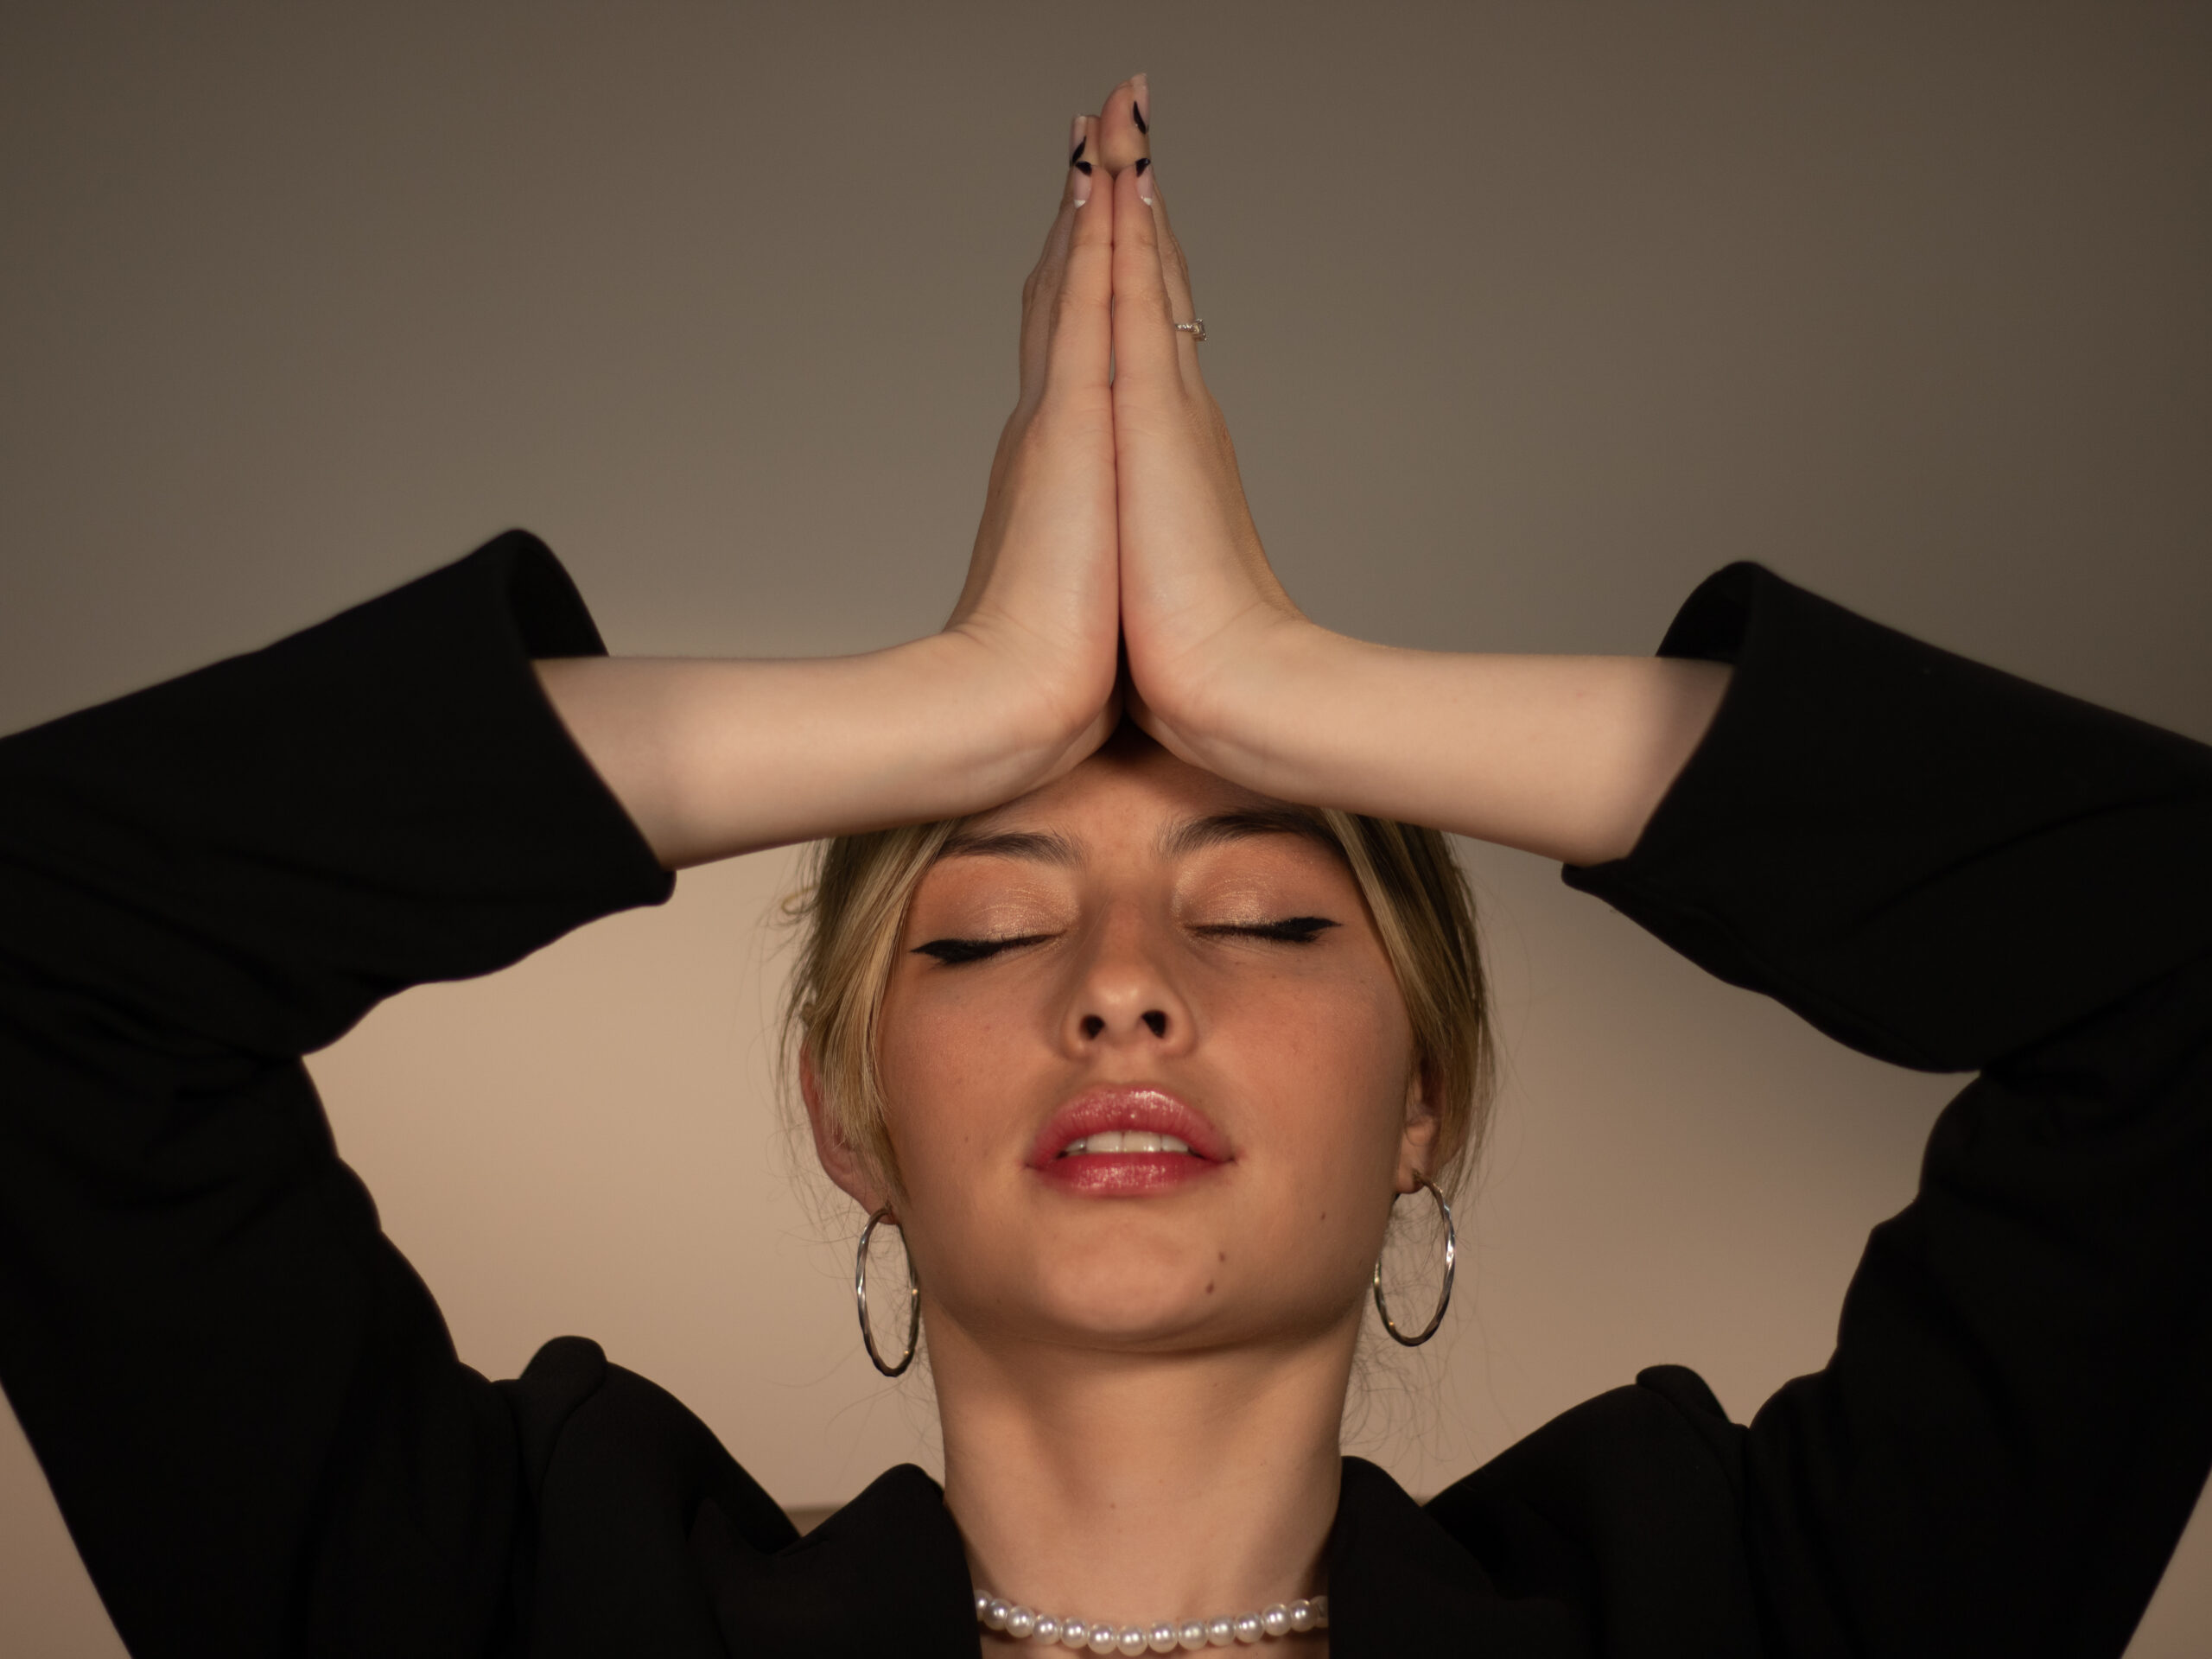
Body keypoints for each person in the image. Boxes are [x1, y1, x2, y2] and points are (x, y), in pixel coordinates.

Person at [0, 73, 2206, 1659]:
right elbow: (51, 923)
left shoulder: (1743, 1612)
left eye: (1264, 912)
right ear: (847, 1112)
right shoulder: (516, 1604)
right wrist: (959, 694)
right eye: (983, 928)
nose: (1124, 990)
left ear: (1427, 1093)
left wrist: (1280, 679)